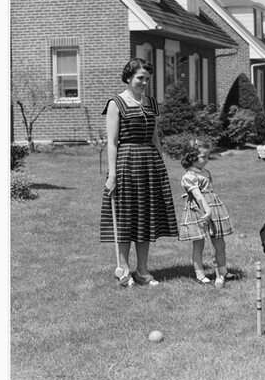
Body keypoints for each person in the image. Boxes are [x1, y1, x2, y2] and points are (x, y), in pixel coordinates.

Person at [99, 58, 178, 287]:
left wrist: (160, 161)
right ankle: (123, 269)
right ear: (128, 78)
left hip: (149, 163)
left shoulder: (151, 103)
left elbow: (154, 136)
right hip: (126, 161)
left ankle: (143, 271)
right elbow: (112, 142)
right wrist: (112, 175)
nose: (144, 82)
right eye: (140, 78)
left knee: (145, 217)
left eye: (147, 79)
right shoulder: (116, 103)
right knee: (126, 217)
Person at [178, 136, 234, 288]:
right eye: (204, 156)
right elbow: (197, 195)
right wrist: (207, 210)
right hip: (199, 211)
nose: (207, 159)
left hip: (213, 210)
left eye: (208, 156)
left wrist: (212, 209)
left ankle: (222, 271)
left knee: (219, 243)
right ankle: (200, 274)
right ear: (191, 156)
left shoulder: (205, 172)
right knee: (199, 244)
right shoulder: (188, 177)